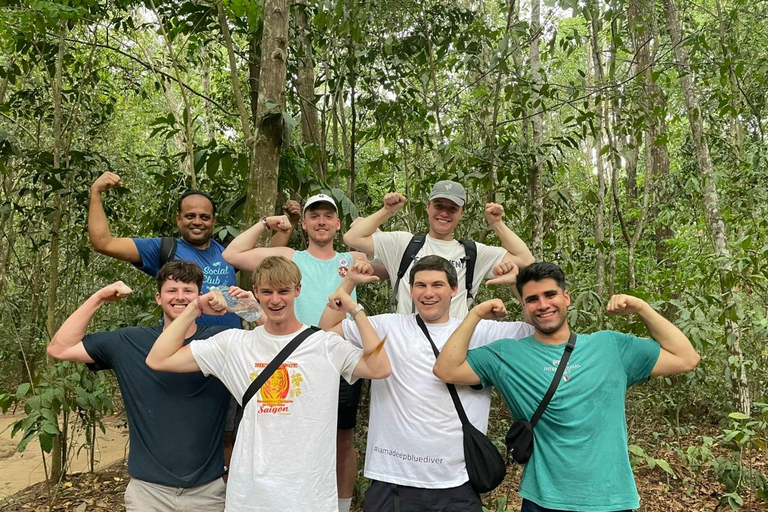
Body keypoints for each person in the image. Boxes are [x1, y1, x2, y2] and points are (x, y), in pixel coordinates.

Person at [433, 262, 701, 512]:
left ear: (567, 298)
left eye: (550, 295)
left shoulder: (610, 346)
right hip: (543, 498)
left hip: (610, 498)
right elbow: (446, 369)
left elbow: (686, 358)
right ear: (524, 308)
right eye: (532, 299)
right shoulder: (506, 355)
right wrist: (476, 313)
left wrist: (642, 308)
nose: (543, 305)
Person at [145, 256, 392, 512]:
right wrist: (195, 306)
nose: (275, 300)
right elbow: (158, 359)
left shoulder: (324, 344)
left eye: (283, 291)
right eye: (267, 292)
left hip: (309, 496)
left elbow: (379, 367)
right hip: (250, 496)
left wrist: (356, 310)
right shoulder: (233, 344)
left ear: (297, 290)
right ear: (256, 293)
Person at [319, 255, 533, 512]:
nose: (428, 293)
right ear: (410, 290)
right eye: (420, 285)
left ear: (454, 290)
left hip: (457, 480)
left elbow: (538, 331)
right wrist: (348, 283)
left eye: (437, 285)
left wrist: (516, 285)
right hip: (393, 479)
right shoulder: (388, 325)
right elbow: (327, 332)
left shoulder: (481, 330)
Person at [222, 193, 382, 512]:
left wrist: (381, 219)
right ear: (305, 224)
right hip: (288, 360)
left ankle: (340, 504)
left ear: (338, 224)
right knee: (283, 430)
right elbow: (233, 254)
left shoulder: (352, 259)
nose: (321, 221)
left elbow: (406, 265)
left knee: (341, 437)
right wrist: (267, 223)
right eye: (314, 216)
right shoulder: (289, 257)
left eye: (327, 216)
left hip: (337, 358)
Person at [47, 261, 239, 512]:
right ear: (158, 298)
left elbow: (276, 342)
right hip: (148, 494)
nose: (180, 297)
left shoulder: (220, 341)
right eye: (172, 290)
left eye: (188, 291)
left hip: (208, 492)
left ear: (199, 296)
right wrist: (99, 297)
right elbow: (59, 348)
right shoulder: (129, 341)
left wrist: (243, 303)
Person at [88, 170, 295, 328]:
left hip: (228, 355)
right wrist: (96, 192)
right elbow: (104, 243)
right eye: (190, 216)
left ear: (213, 221)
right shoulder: (163, 248)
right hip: (182, 352)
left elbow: (267, 263)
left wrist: (287, 227)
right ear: (178, 219)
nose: (197, 222)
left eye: (204, 217)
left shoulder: (227, 252)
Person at [343, 180, 535, 319]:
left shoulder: (473, 253)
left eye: (452, 209)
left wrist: (496, 223)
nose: (444, 213)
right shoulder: (402, 244)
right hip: (406, 345)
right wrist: (388, 210)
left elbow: (525, 259)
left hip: (454, 349)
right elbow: (352, 237)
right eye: (439, 205)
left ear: (461, 213)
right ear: (428, 207)